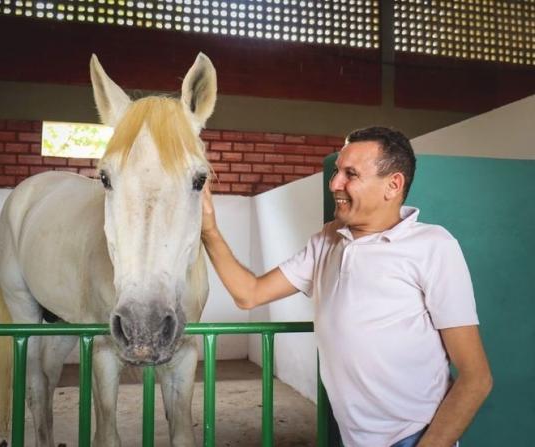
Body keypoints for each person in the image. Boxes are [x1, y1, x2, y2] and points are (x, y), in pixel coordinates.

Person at [201, 126, 493, 447]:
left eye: (350, 174)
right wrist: (210, 231)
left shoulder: (433, 246)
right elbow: (250, 294)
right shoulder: (327, 241)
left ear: (393, 185)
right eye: (337, 171)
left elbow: (476, 377)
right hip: (353, 439)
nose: (334, 183)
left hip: (413, 437)